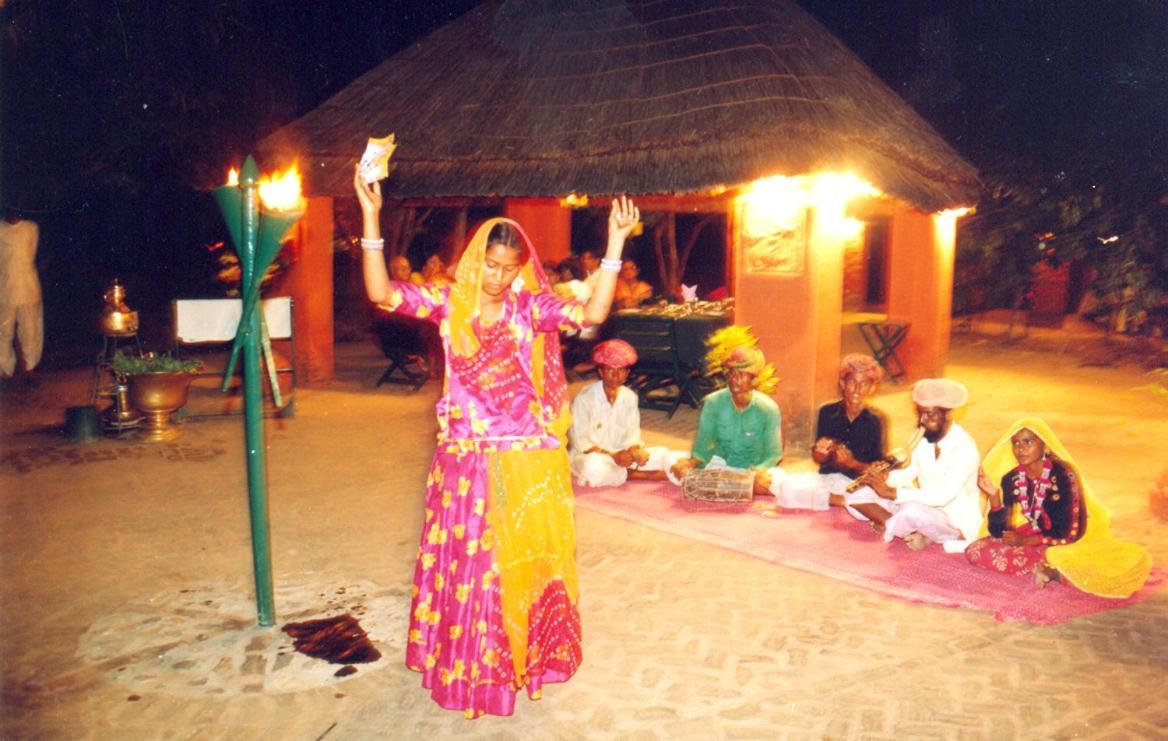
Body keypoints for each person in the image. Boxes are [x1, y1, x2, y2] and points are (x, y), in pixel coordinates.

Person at [355, 165, 639, 718]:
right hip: (466, 458)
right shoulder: (448, 303)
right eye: (491, 264)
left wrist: (614, 245)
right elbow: (382, 294)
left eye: (510, 269)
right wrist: (371, 216)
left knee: (521, 565)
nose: (499, 277)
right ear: (474, 257)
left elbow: (592, 312)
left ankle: (518, 663)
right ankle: (472, 671)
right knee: (472, 568)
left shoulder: (529, 308)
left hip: (527, 458)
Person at [966, 418, 1151, 596]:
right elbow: (1000, 533)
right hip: (1032, 534)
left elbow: (1071, 532)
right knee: (974, 551)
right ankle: (1044, 567)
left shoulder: (1064, 474)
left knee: (1108, 564)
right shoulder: (1012, 479)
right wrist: (995, 497)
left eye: (1027, 442)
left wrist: (1026, 542)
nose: (1020, 449)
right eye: (1015, 443)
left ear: (1044, 445)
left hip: (1068, 537)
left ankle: (1055, 572)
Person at [847, 378, 982, 551]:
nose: (923, 421)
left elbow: (942, 497)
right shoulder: (921, 436)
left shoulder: (965, 449)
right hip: (918, 503)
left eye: (930, 415)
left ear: (948, 415)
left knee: (912, 511)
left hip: (949, 517)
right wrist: (884, 478)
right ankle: (900, 525)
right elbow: (908, 474)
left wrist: (891, 493)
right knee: (857, 494)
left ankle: (905, 526)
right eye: (920, 414)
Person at [767, 354, 886, 510]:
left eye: (864, 384)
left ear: (871, 388)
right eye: (852, 382)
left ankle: (844, 501)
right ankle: (843, 502)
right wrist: (821, 454)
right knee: (786, 485)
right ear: (842, 383)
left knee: (867, 497)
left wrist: (852, 463)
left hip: (856, 484)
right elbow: (818, 459)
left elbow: (881, 472)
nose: (857, 389)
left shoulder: (876, 420)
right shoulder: (827, 412)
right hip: (827, 479)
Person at [669, 343, 782, 498]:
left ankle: (728, 489)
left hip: (751, 471)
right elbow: (703, 444)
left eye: (741, 374)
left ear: (754, 379)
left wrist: (758, 472)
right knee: (671, 462)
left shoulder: (768, 408)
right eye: (731, 373)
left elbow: (774, 454)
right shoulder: (713, 402)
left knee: (780, 484)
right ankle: (733, 490)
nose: (734, 379)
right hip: (718, 467)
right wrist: (691, 463)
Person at [568, 339, 682, 486]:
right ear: (601, 372)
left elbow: (632, 435)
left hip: (622, 456)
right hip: (592, 457)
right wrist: (613, 456)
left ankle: (631, 472)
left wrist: (635, 450)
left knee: (662, 453)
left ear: (627, 373)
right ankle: (644, 476)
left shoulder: (630, 397)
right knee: (592, 468)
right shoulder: (584, 399)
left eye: (621, 370)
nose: (616, 375)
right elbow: (582, 444)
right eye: (610, 369)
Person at [0, 211, 43, 385]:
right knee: (4, 331)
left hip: (28, 287)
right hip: (4, 289)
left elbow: (30, 255)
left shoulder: (31, 228)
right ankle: (4, 370)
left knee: (31, 330)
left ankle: (30, 369)